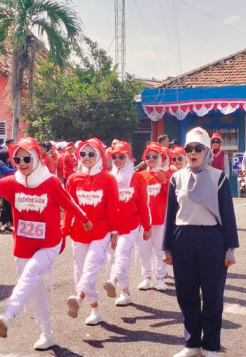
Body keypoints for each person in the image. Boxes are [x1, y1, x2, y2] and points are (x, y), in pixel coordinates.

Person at [0, 138, 91, 349]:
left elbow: (68, 203)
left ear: (37, 158)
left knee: (28, 277)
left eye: (26, 158)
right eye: (17, 158)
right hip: (22, 246)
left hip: (49, 244)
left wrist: (84, 219)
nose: (21, 162)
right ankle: (46, 332)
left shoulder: (51, 182)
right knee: (33, 291)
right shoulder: (13, 182)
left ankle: (8, 315)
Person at [163, 127, 239, 357]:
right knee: (186, 295)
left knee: (213, 294)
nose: (192, 153)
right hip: (182, 238)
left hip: (211, 239)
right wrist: (167, 247)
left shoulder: (219, 177)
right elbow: (170, 214)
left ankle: (212, 346)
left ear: (206, 151)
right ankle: (192, 344)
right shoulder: (177, 178)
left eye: (198, 149)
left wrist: (230, 248)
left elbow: (228, 214)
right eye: (189, 149)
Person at [63, 138, 119, 325]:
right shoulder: (73, 178)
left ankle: (78, 296)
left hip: (101, 231)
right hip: (78, 232)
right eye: (83, 154)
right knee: (80, 270)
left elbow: (112, 207)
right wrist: (65, 228)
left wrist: (114, 232)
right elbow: (69, 206)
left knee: (91, 265)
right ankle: (94, 308)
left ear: (99, 156)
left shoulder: (108, 178)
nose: (86, 158)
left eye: (91, 154)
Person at [103, 141, 151, 306]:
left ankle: (113, 280)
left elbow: (143, 205)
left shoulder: (137, 178)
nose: (117, 159)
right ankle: (125, 292)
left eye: (121, 156)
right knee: (113, 258)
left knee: (122, 254)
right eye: (114, 156)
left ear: (128, 157)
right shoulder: (109, 177)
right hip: (112, 226)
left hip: (131, 223)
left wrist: (147, 227)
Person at [137, 142, 170, 290]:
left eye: (154, 156)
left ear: (160, 158)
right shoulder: (139, 175)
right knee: (144, 250)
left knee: (160, 249)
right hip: (142, 222)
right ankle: (147, 276)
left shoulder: (167, 174)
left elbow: (173, 197)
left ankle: (161, 277)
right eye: (148, 156)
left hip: (160, 220)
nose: (151, 159)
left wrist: (164, 181)